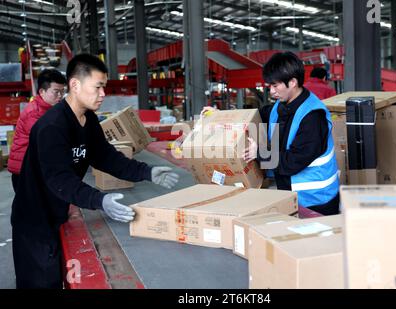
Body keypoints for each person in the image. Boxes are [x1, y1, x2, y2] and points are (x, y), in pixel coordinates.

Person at [11, 54, 179, 289]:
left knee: (55, 275)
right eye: (98, 87)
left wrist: (147, 172)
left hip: (56, 211)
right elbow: (59, 179)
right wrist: (100, 200)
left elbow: (106, 157)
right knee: (40, 281)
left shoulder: (87, 120)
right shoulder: (52, 126)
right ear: (75, 85)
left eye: (104, 87)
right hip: (34, 219)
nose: (103, 94)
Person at [202, 52, 339, 216]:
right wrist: (220, 115)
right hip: (290, 194)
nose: (271, 91)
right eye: (269, 86)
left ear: (293, 82)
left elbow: (293, 161)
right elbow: (250, 118)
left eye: (275, 86)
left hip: (316, 201)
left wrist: (259, 153)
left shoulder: (313, 117)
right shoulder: (279, 107)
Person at [8, 69, 67, 193]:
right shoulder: (34, 113)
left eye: (63, 91)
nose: (60, 96)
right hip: (24, 170)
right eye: (56, 92)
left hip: (35, 167)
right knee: (30, 210)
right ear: (42, 91)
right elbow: (47, 141)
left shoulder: (51, 109)